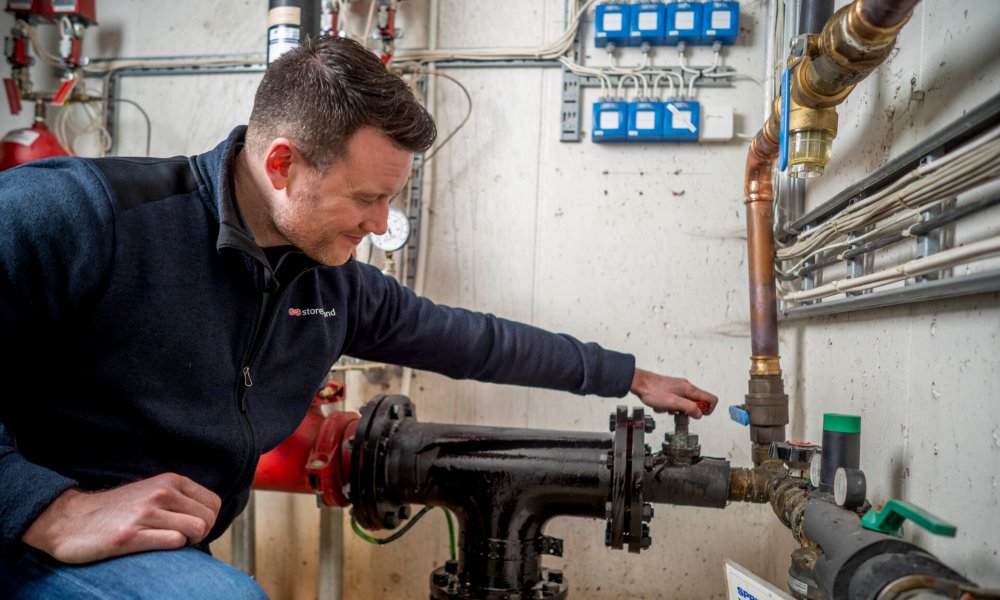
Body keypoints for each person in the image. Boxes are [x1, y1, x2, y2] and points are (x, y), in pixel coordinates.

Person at [0, 36, 717, 598]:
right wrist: (51, 508)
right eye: (365, 198)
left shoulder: (332, 283)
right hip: (24, 536)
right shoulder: (85, 216)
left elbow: (473, 341)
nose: (381, 224)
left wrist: (630, 375)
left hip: (148, 548)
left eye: (390, 200)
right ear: (281, 164)